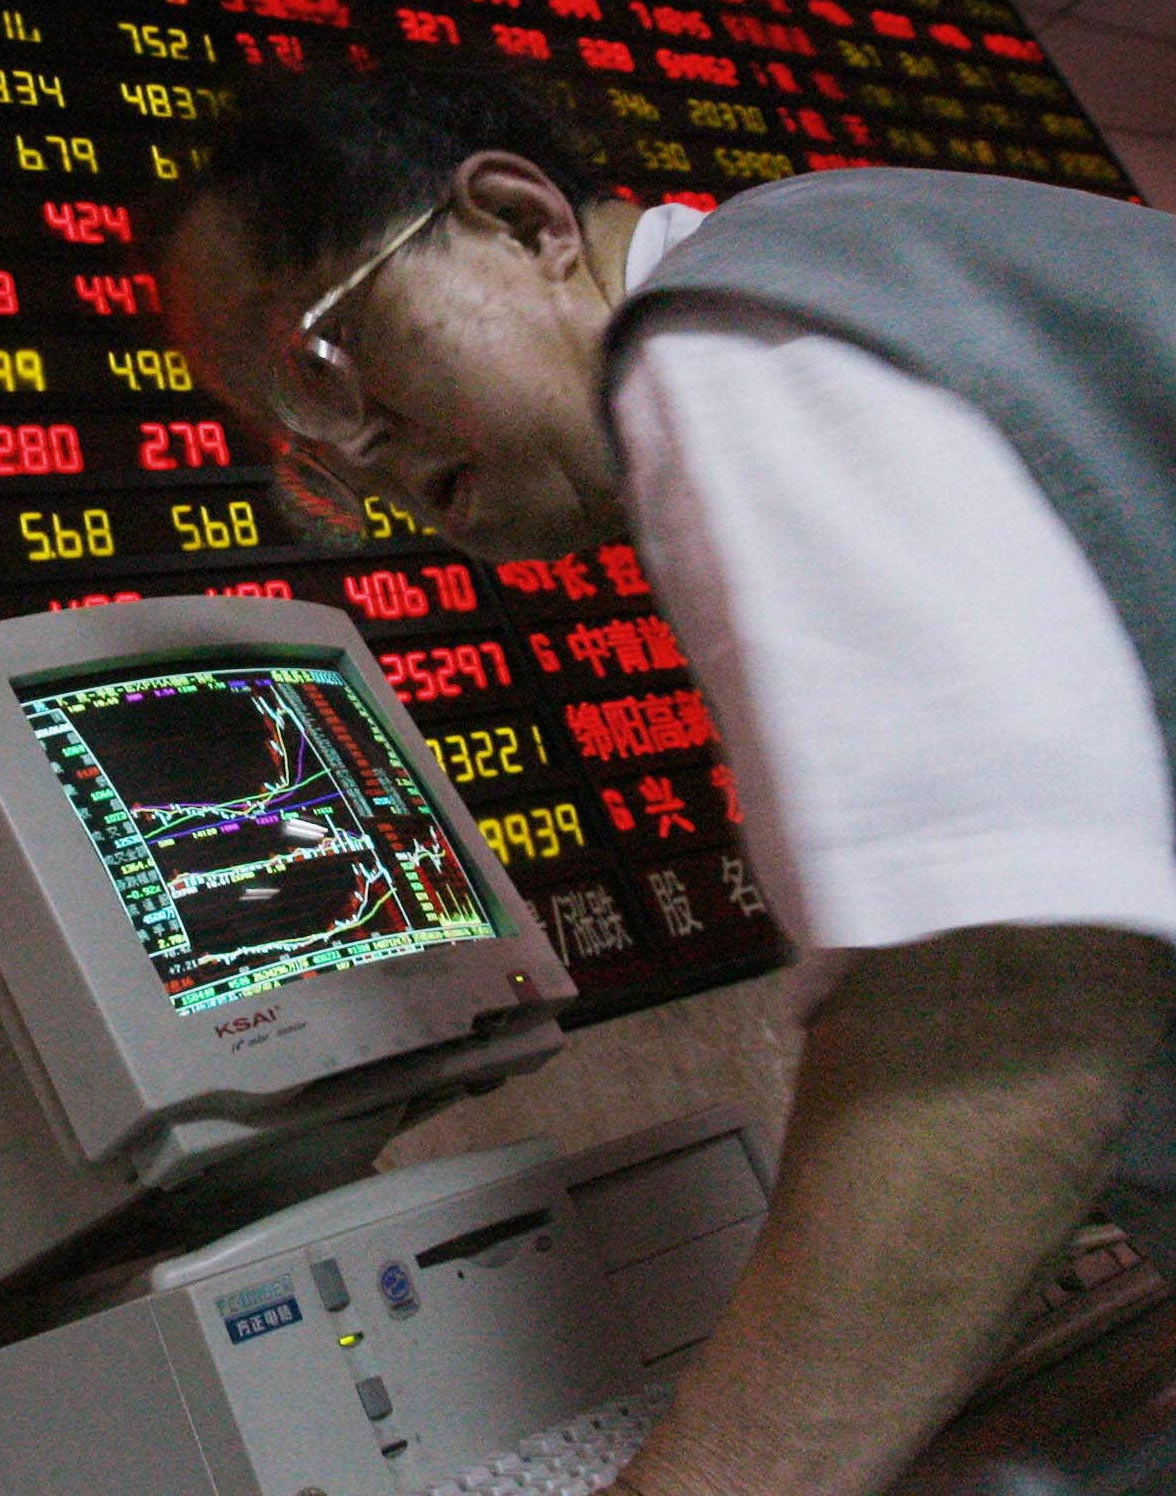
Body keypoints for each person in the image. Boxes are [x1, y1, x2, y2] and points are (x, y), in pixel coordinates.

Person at [161, 59, 1176, 1496]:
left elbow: (996, 1007)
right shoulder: (850, 268)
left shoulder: (725, 341)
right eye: (305, 449)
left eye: (327, 366)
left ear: (523, 222)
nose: (361, 461)